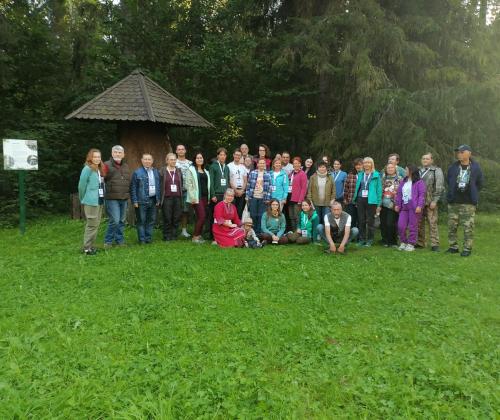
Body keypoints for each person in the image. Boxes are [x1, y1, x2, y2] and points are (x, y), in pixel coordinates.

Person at [446, 144, 484, 257]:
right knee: (452, 226)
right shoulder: (453, 167)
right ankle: (453, 247)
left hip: (468, 202)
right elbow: (449, 180)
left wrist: (472, 190)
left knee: (468, 227)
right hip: (454, 201)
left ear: (469, 153)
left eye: (462, 152)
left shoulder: (476, 168)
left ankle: (467, 248)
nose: (459, 154)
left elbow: (480, 183)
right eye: (458, 152)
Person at [78, 148, 106, 255]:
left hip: (99, 200)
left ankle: (90, 246)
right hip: (91, 201)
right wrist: (83, 198)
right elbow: (81, 186)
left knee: (96, 225)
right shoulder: (87, 169)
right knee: (91, 225)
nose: (97, 159)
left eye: (99, 157)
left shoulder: (98, 168)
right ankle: (86, 248)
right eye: (95, 157)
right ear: (90, 157)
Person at [103, 145, 131, 248]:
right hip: (112, 198)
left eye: (120, 152)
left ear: (123, 155)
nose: (117, 154)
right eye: (115, 152)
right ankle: (108, 241)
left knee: (121, 221)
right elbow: (101, 180)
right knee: (114, 220)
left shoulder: (126, 166)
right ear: (112, 153)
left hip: (124, 198)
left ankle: (120, 241)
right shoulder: (106, 165)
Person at [130, 153, 160, 244]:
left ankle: (148, 238)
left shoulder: (156, 172)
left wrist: (158, 199)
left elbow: (158, 186)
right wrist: (135, 200)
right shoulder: (137, 172)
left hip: (153, 200)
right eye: (145, 159)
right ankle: (142, 240)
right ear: (142, 160)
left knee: (151, 220)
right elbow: (133, 187)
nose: (147, 161)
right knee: (141, 221)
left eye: (149, 159)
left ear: (152, 161)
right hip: (141, 200)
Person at [417, 153, 445, 252]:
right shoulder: (418, 170)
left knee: (432, 222)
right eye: (423, 158)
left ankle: (435, 244)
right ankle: (420, 242)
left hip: (430, 200)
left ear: (431, 160)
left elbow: (439, 186)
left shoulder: (436, 170)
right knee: (419, 222)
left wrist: (435, 200)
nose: (425, 160)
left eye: (427, 159)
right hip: (419, 201)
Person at [394, 165, 426, 252]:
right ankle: (403, 242)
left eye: (406, 170)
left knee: (413, 226)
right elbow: (399, 194)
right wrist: (397, 204)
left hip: (414, 207)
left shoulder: (419, 182)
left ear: (412, 171)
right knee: (401, 225)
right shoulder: (403, 181)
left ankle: (411, 244)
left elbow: (421, 195)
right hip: (404, 206)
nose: (405, 171)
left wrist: (419, 206)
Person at [353, 157, 382, 247]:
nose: (366, 164)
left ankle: (369, 240)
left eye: (368, 163)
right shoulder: (360, 174)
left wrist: (379, 204)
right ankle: (361, 239)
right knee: (361, 220)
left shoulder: (376, 175)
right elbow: (357, 187)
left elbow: (379, 190)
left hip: (371, 200)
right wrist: (355, 199)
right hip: (360, 199)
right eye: (365, 163)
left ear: (371, 164)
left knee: (370, 221)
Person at [185, 152, 211, 244]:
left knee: (202, 216)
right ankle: (195, 236)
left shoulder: (206, 171)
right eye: (198, 158)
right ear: (195, 160)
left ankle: (199, 235)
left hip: (205, 197)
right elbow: (188, 184)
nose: (200, 159)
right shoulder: (191, 170)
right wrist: (192, 197)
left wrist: (209, 197)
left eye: (201, 158)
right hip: (196, 197)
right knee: (202, 216)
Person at [160, 153, 183, 241]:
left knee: (176, 217)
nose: (173, 161)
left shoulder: (179, 171)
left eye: (174, 159)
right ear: (167, 161)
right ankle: (166, 236)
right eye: (171, 159)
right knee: (167, 217)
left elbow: (181, 183)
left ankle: (174, 235)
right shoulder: (162, 171)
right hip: (167, 198)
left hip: (177, 197)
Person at [246, 158, 272, 235]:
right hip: (253, 197)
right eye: (260, 163)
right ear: (257, 164)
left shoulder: (268, 174)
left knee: (261, 215)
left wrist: (268, 198)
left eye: (263, 163)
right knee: (253, 215)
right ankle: (252, 231)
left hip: (263, 198)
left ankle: (259, 233)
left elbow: (270, 187)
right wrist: (247, 196)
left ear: (265, 165)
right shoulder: (253, 173)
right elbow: (248, 185)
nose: (261, 165)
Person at [307, 161, 336, 231]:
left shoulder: (330, 177)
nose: (322, 169)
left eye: (323, 167)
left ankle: (326, 233)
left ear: (326, 168)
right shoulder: (313, 177)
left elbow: (334, 191)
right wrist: (310, 202)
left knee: (326, 220)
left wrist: (332, 200)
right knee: (317, 220)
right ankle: (317, 234)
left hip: (327, 203)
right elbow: (309, 191)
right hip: (315, 203)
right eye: (320, 167)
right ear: (317, 168)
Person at [208, 148, 230, 239]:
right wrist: (212, 194)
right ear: (217, 156)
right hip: (216, 195)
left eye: (224, 155)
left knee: (223, 216)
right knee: (215, 216)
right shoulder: (213, 166)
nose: (222, 157)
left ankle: (222, 234)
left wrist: (228, 195)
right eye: (221, 155)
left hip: (224, 195)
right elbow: (211, 182)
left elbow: (227, 181)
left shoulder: (227, 167)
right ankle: (212, 235)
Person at [380, 163, 401, 247]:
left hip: (393, 205)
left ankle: (393, 242)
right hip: (383, 204)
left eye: (392, 167)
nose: (390, 169)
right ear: (386, 169)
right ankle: (385, 241)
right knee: (383, 223)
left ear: (395, 169)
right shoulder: (383, 178)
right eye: (388, 168)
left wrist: (396, 203)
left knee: (390, 223)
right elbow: (379, 191)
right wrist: (379, 204)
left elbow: (400, 193)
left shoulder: (399, 179)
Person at [175, 144, 192, 238]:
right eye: (179, 149)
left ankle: (184, 231)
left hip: (187, 190)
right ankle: (174, 229)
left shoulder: (190, 163)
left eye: (182, 149)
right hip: (175, 191)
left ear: (185, 151)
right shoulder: (173, 162)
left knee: (185, 211)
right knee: (175, 211)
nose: (181, 151)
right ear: (176, 151)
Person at [287, 157, 308, 231]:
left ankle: (298, 231)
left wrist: (300, 200)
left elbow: (304, 188)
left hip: (297, 199)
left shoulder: (302, 174)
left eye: (298, 163)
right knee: (291, 216)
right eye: (294, 163)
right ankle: (293, 231)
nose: (296, 165)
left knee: (297, 216)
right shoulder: (291, 173)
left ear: (300, 164)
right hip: (289, 197)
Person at [227, 148, 248, 218]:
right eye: (236, 155)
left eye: (239, 155)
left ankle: (238, 225)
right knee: (231, 211)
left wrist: (242, 190)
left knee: (239, 212)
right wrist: (235, 190)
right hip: (232, 192)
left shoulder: (243, 167)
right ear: (233, 155)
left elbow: (245, 180)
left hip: (242, 192)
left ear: (241, 156)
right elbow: (229, 180)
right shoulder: (229, 166)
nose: (237, 156)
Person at [343, 158, 363, 228]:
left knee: (361, 219)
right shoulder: (350, 175)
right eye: (356, 165)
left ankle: (360, 233)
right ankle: (352, 233)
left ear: (363, 165)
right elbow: (346, 188)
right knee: (352, 219)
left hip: (362, 201)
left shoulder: (366, 175)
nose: (358, 166)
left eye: (360, 165)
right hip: (351, 201)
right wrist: (345, 198)